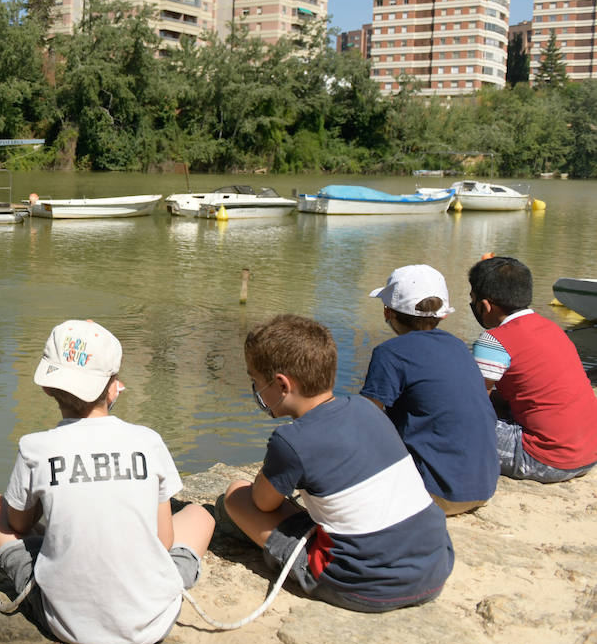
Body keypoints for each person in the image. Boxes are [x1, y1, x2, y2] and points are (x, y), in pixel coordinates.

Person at [0, 320, 214, 644]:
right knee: (201, 515)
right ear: (114, 387)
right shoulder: (148, 441)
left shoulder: (36, 447)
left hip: (66, 623)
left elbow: (18, 523)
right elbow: (164, 539)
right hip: (153, 618)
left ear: (46, 387)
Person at [223, 314, 453, 613]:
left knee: (236, 495)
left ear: (281, 385)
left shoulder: (291, 440)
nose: (255, 388)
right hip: (435, 567)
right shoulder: (365, 408)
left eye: (255, 380)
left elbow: (262, 503)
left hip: (363, 584)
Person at [360, 264, 499, 514]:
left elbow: (365, 419)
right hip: (484, 487)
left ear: (387, 312)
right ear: (442, 315)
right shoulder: (458, 347)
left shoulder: (390, 353)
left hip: (434, 495)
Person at [468, 255, 597, 482]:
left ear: (485, 305)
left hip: (545, 459)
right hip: (588, 452)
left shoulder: (494, 340)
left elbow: (472, 406)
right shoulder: (551, 328)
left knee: (452, 422)